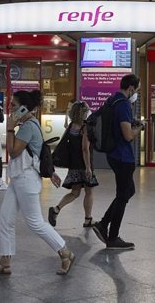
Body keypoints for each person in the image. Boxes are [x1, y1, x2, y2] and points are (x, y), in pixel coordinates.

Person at [0, 90, 74, 276]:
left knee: (35, 222)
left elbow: (13, 151)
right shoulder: (27, 124)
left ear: (25, 107)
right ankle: (5, 261)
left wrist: (10, 128)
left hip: (26, 181)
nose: (11, 109)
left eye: (14, 106)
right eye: (11, 106)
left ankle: (65, 252)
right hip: (19, 179)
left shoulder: (28, 126)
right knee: (5, 220)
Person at [92, 74, 142, 250]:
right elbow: (128, 135)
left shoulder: (112, 100)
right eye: (136, 90)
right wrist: (138, 128)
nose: (135, 93)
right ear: (130, 88)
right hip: (123, 156)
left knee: (129, 191)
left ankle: (103, 223)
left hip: (113, 154)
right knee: (123, 196)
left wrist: (130, 123)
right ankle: (112, 237)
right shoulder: (123, 104)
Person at [48, 101, 99, 228]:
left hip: (74, 164)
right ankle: (88, 219)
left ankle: (56, 209)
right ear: (83, 113)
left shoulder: (71, 126)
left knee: (75, 192)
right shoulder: (85, 127)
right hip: (84, 164)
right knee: (89, 191)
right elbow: (85, 149)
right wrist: (88, 167)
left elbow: (65, 142)